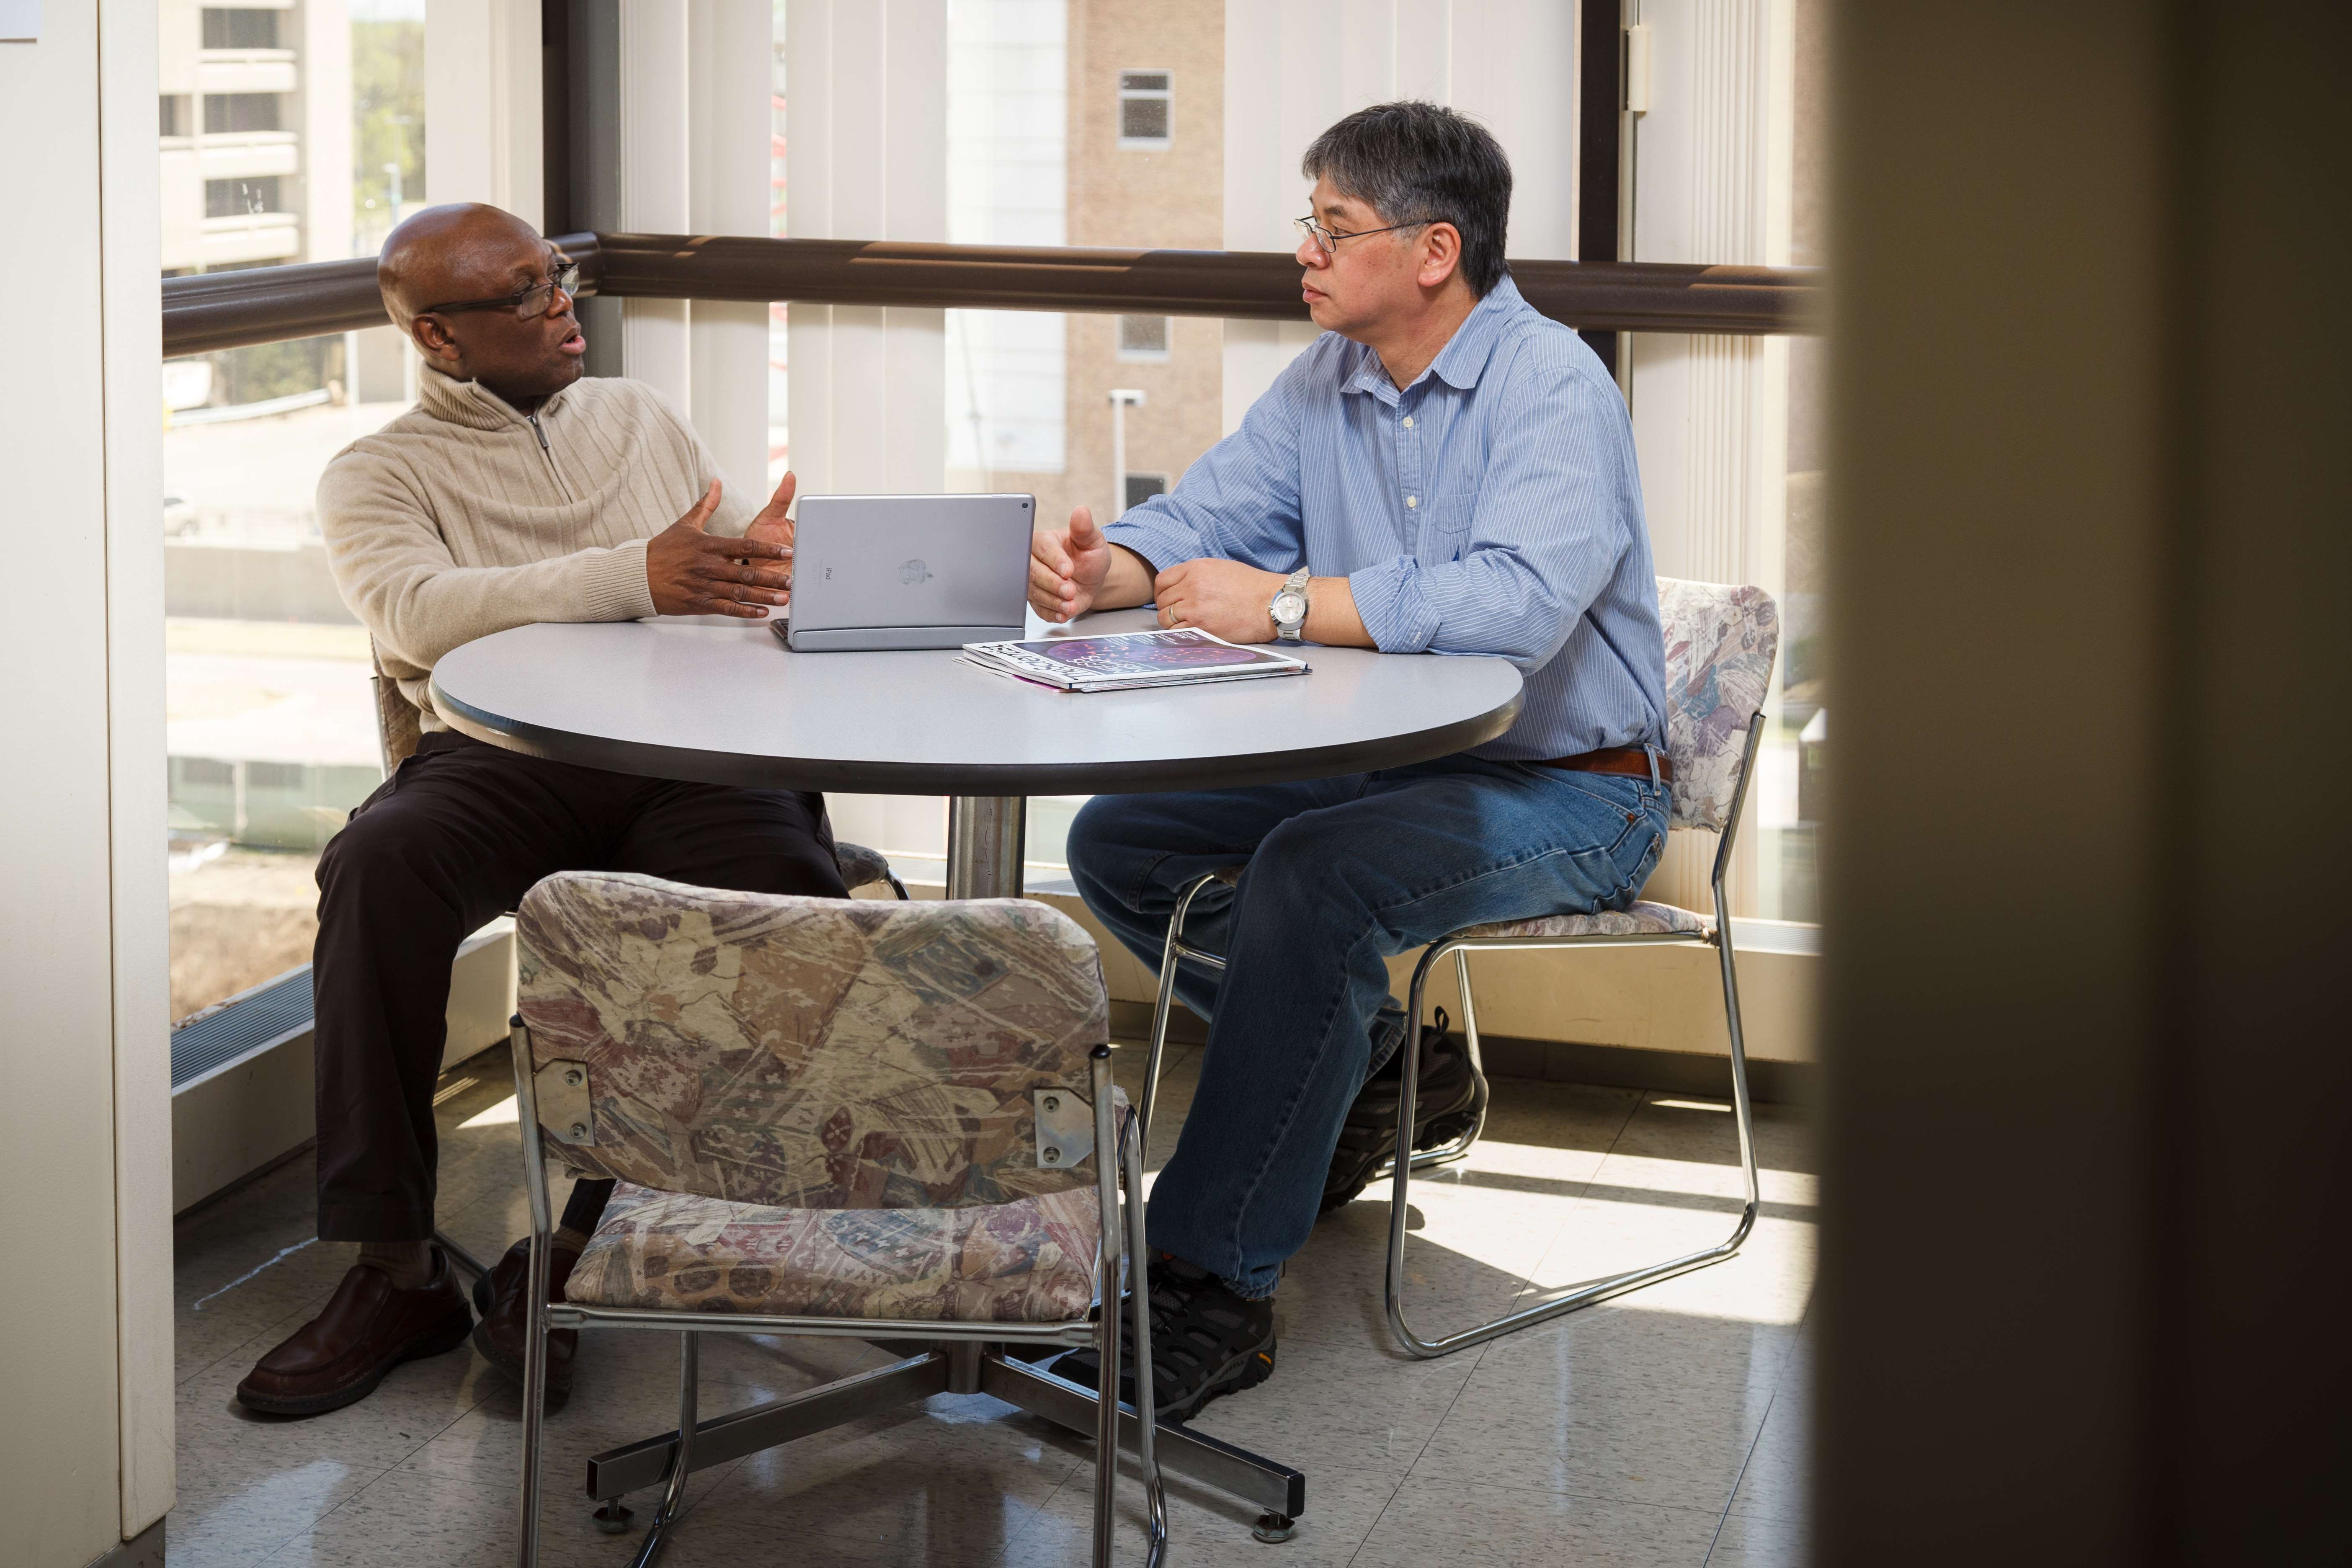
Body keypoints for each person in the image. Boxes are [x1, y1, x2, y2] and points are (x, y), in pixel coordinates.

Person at [1032, 102, 1671, 1421]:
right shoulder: (1326, 381)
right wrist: (1115, 573)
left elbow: (1511, 606)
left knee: (1314, 880)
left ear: (1435, 252)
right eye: (1307, 225)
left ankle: (1209, 1280)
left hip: (1576, 788)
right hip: (1403, 776)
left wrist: (1275, 604)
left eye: (1336, 228)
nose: (1307, 254)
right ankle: (1387, 1061)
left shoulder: (1554, 385)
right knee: (1122, 838)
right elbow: (1204, 517)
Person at [235, 204, 848, 1416]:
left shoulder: (638, 416)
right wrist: (638, 575)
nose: (563, 301)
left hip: (686, 749)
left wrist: (752, 572)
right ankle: (394, 1268)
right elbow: (414, 614)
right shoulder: (376, 472)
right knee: (377, 863)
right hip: (500, 758)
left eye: (556, 275)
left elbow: (704, 581)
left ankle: (572, 1251)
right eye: (524, 292)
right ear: (439, 338)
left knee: (791, 900)